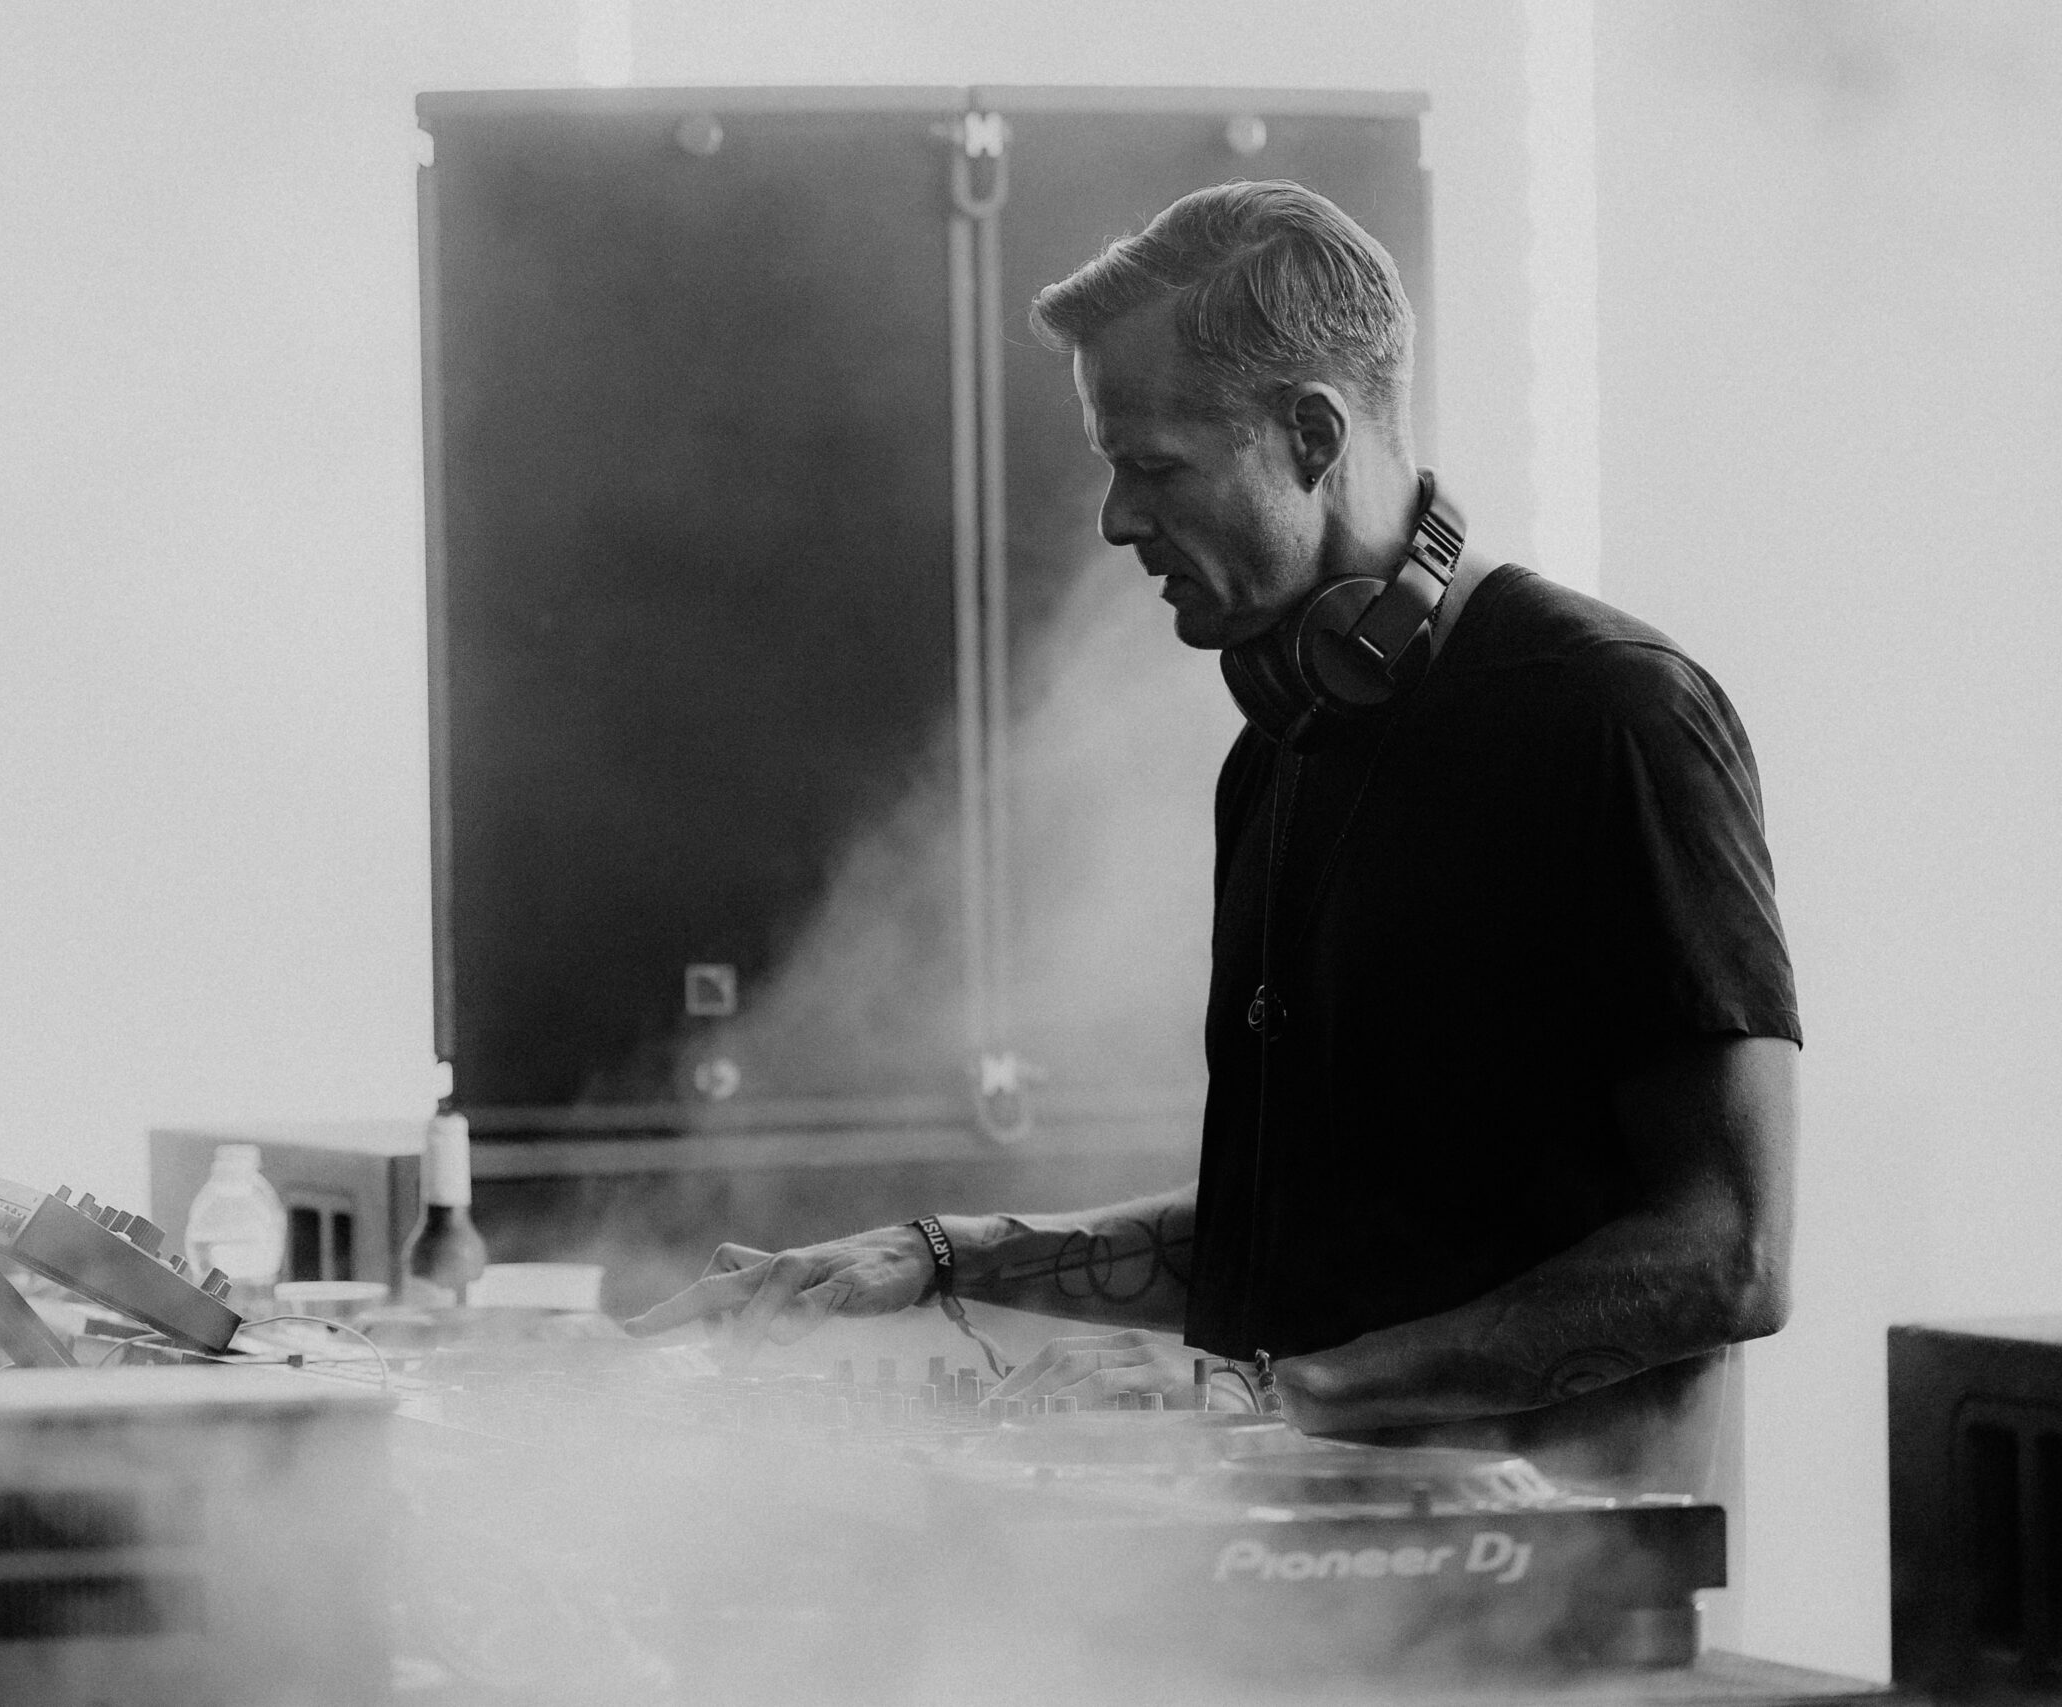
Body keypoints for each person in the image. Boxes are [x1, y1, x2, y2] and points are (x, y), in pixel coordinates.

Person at [626, 180, 1797, 1490]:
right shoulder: (1283, 752)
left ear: (1311, 434)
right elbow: (1285, 1240)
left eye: (1154, 466)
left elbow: (1728, 1254)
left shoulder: (1615, 717)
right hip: (1309, 1562)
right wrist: (941, 1254)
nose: (1118, 520)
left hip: (1548, 1576)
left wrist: (1275, 1395)